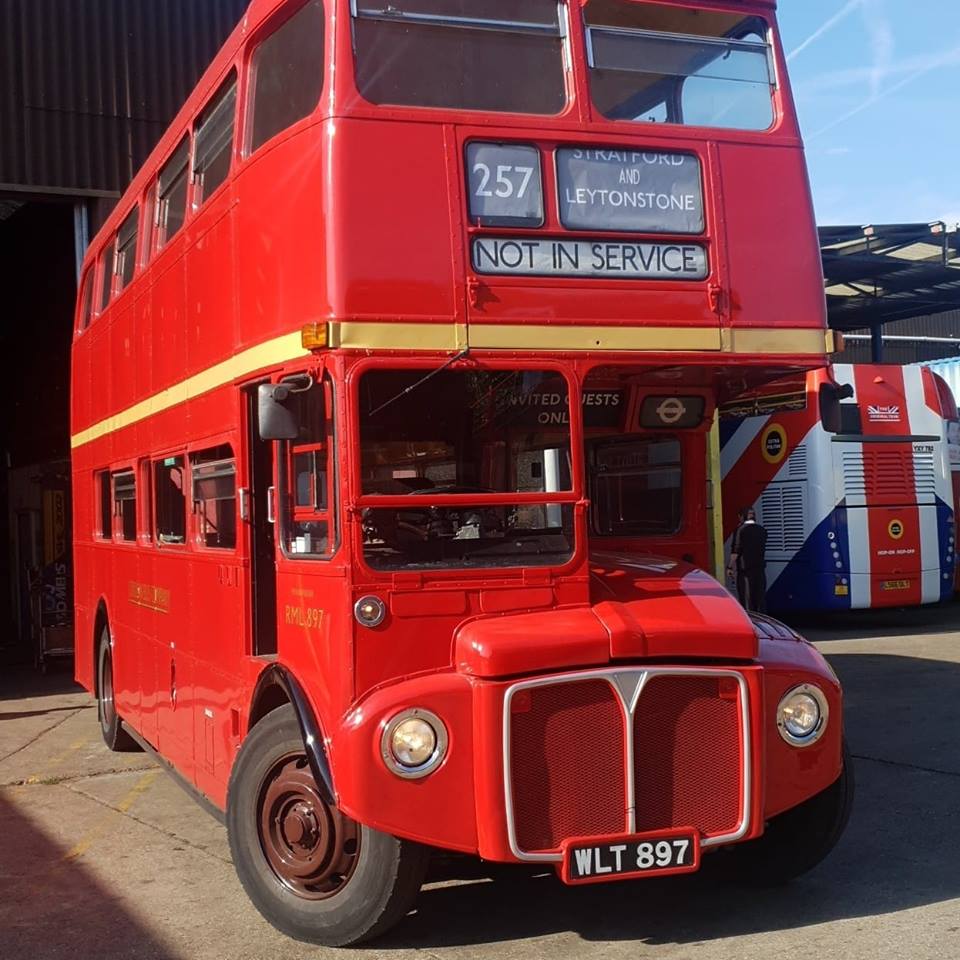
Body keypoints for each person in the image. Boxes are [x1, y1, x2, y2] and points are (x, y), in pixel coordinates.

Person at [727, 507, 768, 613]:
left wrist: (730, 567)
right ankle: (762, 623)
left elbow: (736, 551)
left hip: (745, 570)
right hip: (760, 569)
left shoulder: (740, 530)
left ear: (741, 517)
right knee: (759, 598)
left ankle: (750, 622)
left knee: (746, 599)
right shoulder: (762, 530)